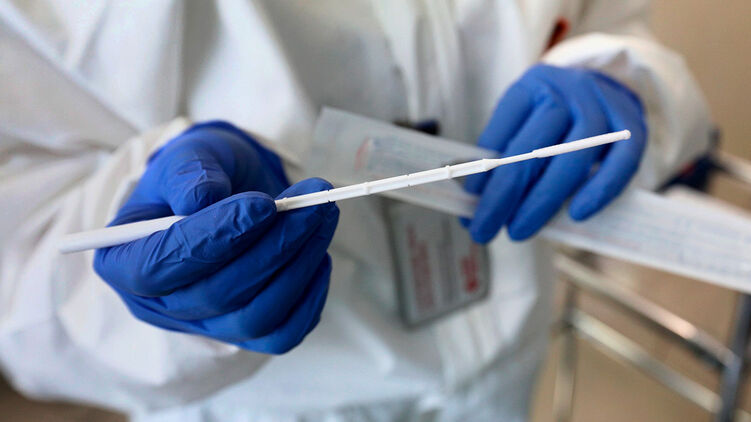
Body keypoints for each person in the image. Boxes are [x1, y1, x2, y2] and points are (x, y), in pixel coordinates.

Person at [0, 1, 711, 421]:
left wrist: (620, 78)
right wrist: (173, 282)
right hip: (270, 399)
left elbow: (609, 17)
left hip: (507, 356)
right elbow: (19, 256)